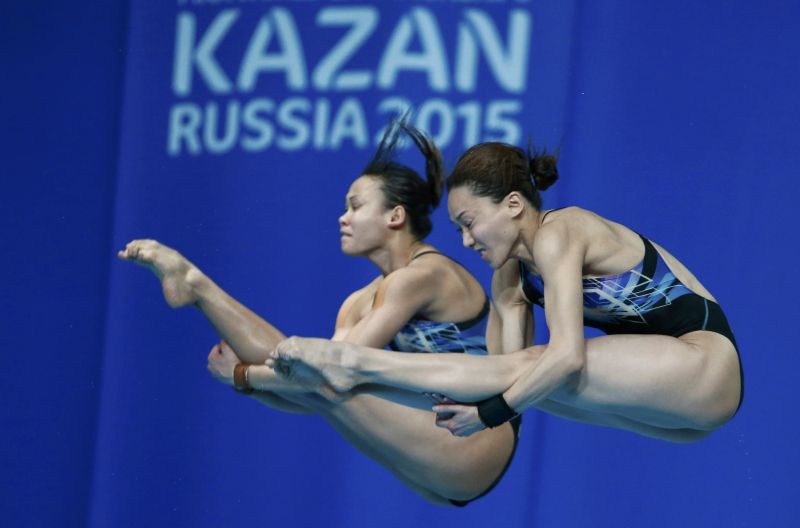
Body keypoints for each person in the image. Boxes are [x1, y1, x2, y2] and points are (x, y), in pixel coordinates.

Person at [118, 119, 519, 506]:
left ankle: (196, 284)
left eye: (356, 206)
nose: (342, 218)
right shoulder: (359, 302)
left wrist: (243, 376)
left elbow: (332, 375)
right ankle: (196, 286)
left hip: (480, 439)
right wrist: (249, 384)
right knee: (324, 384)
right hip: (432, 452)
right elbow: (310, 389)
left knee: (333, 377)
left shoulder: (424, 275)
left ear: (395, 216)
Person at [270, 142, 744, 444]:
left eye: (470, 224)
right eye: (458, 229)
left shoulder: (563, 230)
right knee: (508, 379)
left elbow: (565, 359)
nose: (465, 242)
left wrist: (491, 412)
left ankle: (353, 362)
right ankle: (358, 380)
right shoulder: (509, 279)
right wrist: (478, 407)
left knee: (538, 366)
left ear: (514, 205)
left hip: (706, 364)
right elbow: (494, 379)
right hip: (680, 421)